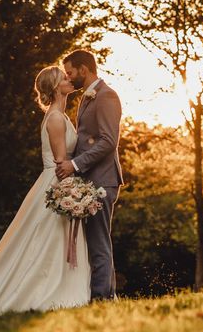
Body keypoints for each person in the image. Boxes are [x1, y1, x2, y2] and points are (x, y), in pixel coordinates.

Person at [0, 66, 91, 317]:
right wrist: (72, 193)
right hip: (57, 183)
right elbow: (60, 162)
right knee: (49, 238)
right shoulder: (56, 118)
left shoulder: (61, 115)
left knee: (52, 238)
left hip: (58, 181)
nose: (69, 80)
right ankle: (45, 291)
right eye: (63, 77)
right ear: (56, 86)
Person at [56, 49, 123, 301]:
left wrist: (74, 165)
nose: (69, 77)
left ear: (84, 70)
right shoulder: (87, 96)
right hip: (91, 180)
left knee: (98, 241)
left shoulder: (106, 96)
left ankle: (102, 298)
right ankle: (106, 295)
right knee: (95, 240)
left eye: (70, 72)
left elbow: (108, 141)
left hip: (103, 180)